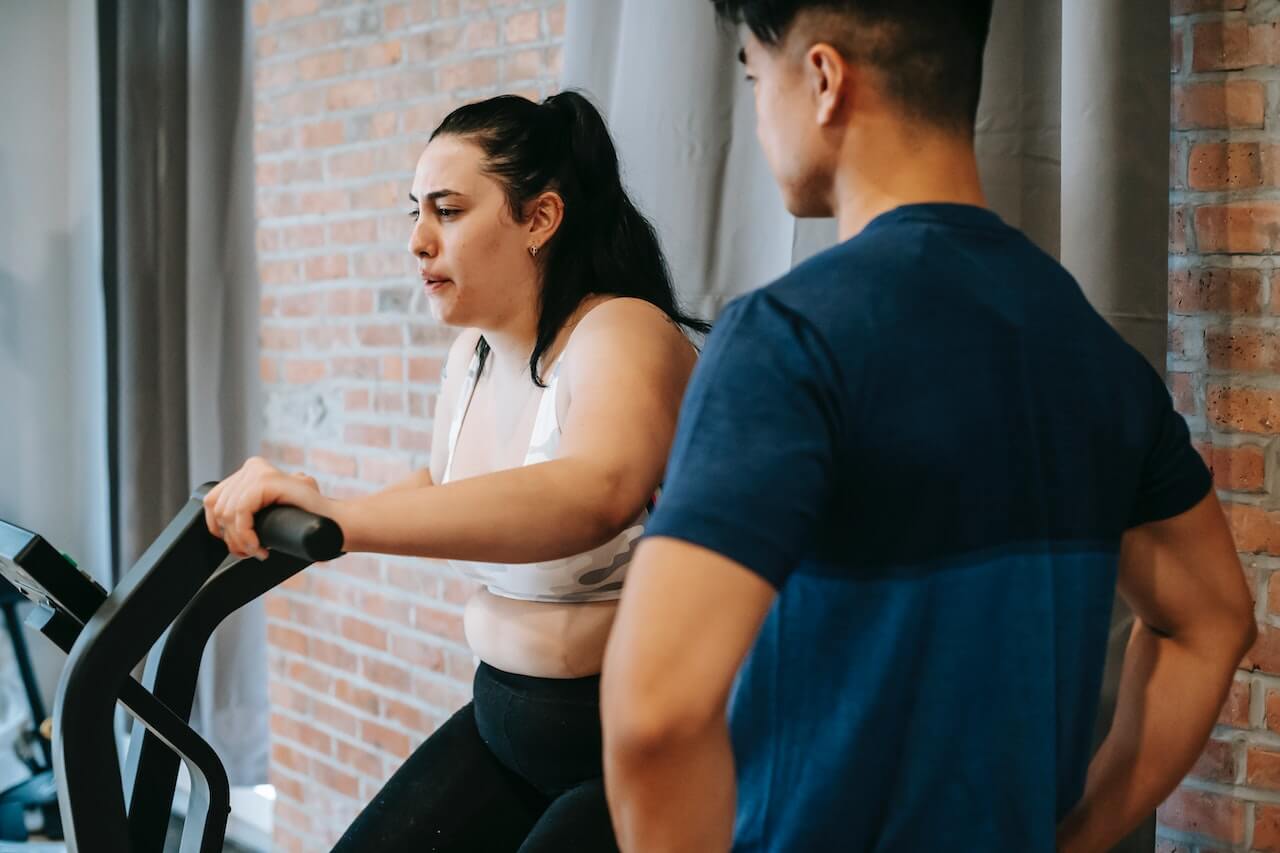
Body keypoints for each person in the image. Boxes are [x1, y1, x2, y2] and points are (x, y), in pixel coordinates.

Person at [600, 2, 1257, 851]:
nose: (760, 112)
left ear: (824, 80)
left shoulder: (788, 338)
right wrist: (1081, 835)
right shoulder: (1090, 350)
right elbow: (1216, 620)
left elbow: (653, 717)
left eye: (757, 78)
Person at [204, 91, 703, 852]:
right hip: (504, 720)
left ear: (539, 219)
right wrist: (315, 510)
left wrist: (343, 522)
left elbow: (593, 491)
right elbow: (444, 486)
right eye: (415, 211)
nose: (418, 240)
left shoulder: (622, 331)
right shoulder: (471, 357)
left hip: (630, 746)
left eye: (448, 210)